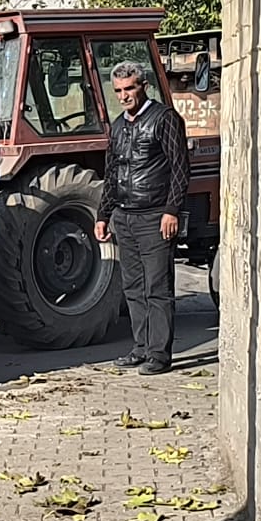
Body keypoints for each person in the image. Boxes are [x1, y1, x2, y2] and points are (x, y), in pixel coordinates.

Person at [93, 59, 189, 376]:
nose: (124, 95)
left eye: (130, 88)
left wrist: (171, 210)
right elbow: (112, 173)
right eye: (119, 90)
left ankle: (159, 355)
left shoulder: (164, 119)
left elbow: (179, 168)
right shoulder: (118, 126)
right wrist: (103, 215)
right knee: (133, 287)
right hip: (124, 216)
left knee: (157, 288)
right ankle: (141, 348)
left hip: (154, 216)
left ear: (142, 85)